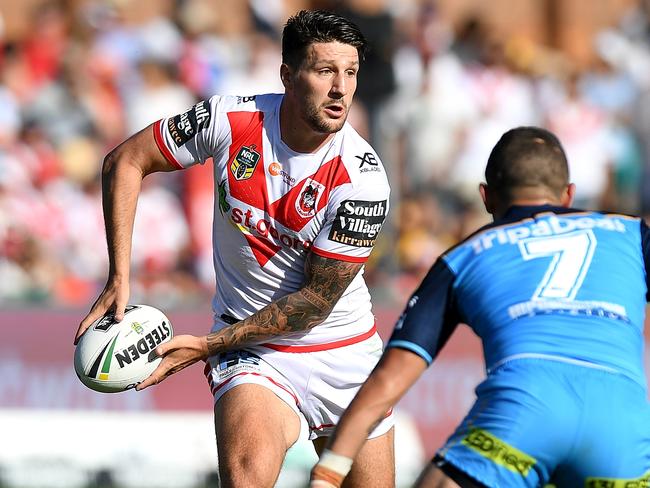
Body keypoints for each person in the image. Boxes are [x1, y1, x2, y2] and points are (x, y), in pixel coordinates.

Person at [74, 10, 395, 488]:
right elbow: (125, 160)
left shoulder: (363, 179)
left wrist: (204, 347)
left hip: (344, 352)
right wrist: (120, 276)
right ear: (287, 74)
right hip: (253, 349)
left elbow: (313, 304)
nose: (340, 89)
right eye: (325, 70)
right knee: (246, 479)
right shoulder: (229, 118)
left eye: (350, 73)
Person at [310, 126, 650, 488]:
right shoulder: (632, 233)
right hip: (622, 423)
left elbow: (387, 381)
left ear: (486, 198)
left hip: (523, 413)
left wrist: (327, 473)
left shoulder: (463, 257)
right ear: (569, 194)